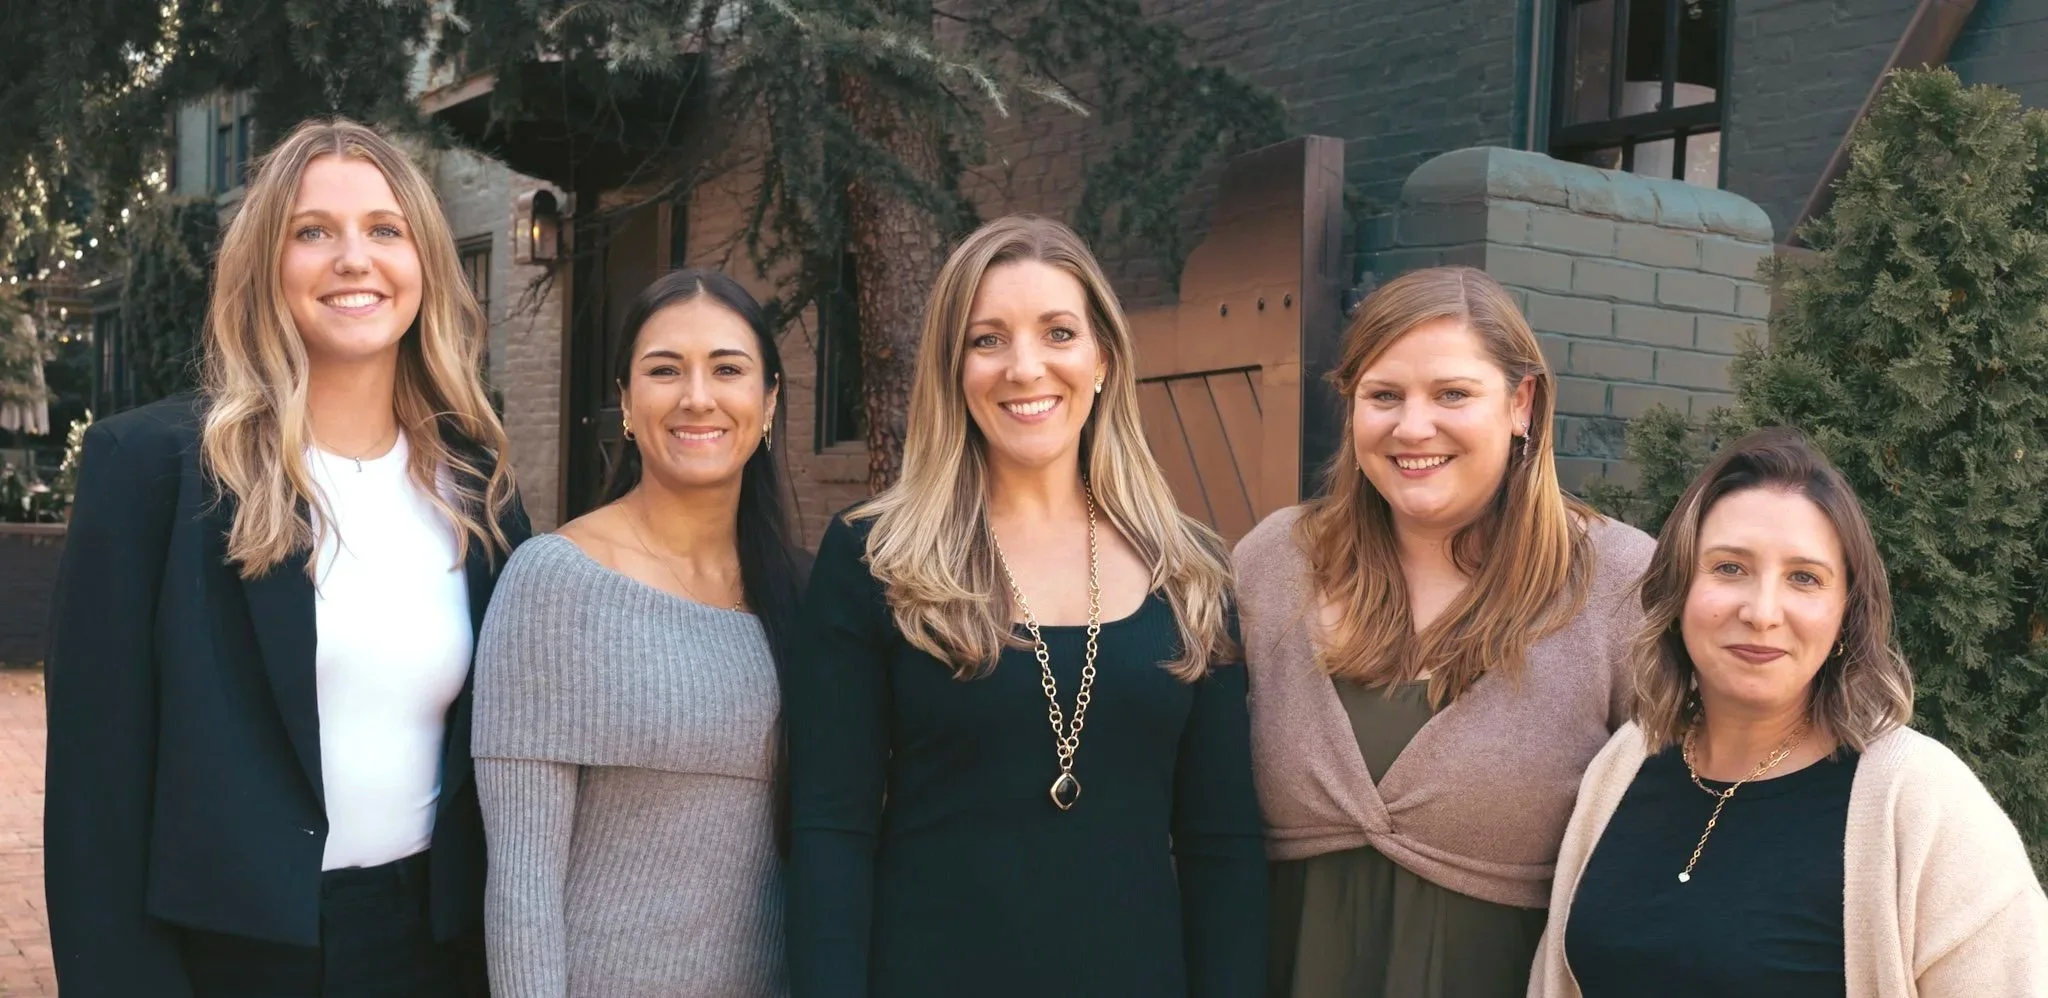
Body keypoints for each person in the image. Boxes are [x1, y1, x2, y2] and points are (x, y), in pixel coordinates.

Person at [43, 117, 527, 997]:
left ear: (425, 263)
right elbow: (95, 798)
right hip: (233, 958)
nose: (354, 258)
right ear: (266, 263)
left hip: (438, 947)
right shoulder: (153, 470)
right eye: (314, 231)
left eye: (386, 229)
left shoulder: (478, 484)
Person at [785, 215, 1266, 998]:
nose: (1025, 367)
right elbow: (830, 830)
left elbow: (1222, 849)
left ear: (1103, 357)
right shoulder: (875, 558)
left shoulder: (1191, 570)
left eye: (1058, 332)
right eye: (988, 340)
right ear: (953, 367)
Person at [1233, 266, 1655, 998]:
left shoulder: (1618, 583)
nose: (1413, 426)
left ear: (1521, 404)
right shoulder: (1272, 563)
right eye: (1384, 396)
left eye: (1453, 394)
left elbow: (1674, 847)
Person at [1530, 427, 2048, 997]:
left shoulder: (1922, 802)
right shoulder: (1626, 763)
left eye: (1804, 578)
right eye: (1729, 568)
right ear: (1679, 589)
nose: (1762, 610)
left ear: (1845, 614)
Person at [473, 268, 802, 997]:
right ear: (625, 400)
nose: (697, 397)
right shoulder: (554, 582)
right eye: (664, 370)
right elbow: (522, 889)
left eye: (727, 369)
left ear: (769, 399)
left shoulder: (803, 596)